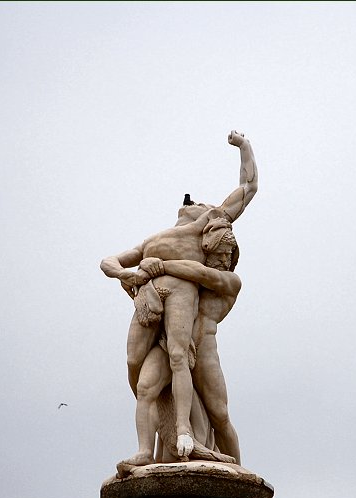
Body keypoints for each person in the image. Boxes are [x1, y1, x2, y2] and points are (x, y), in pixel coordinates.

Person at [100, 131, 257, 458]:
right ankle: (156, 450)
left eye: (199, 202)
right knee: (145, 381)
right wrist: (128, 273)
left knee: (219, 413)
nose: (193, 201)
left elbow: (249, 186)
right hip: (164, 325)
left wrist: (244, 146)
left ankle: (235, 469)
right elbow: (110, 261)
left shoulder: (208, 230)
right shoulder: (153, 240)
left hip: (201, 342)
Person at [116, 225, 242, 472]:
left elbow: (202, 274)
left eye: (230, 254)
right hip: (172, 345)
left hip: (204, 351)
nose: (225, 259)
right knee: (146, 386)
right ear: (207, 251)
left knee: (220, 415)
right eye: (221, 253)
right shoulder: (186, 279)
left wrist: (157, 265)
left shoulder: (229, 280)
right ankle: (148, 451)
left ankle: (238, 468)